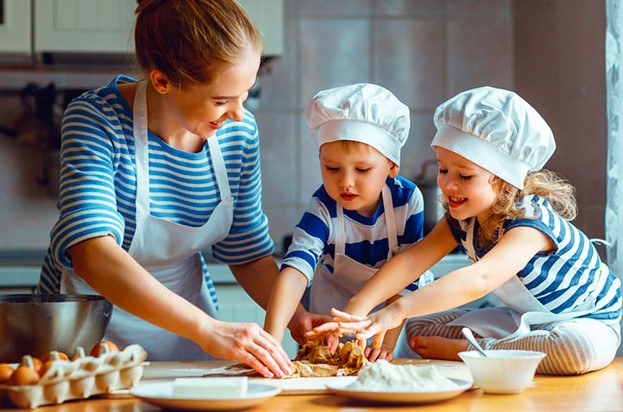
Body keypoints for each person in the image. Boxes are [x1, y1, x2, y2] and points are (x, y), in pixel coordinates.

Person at [37, 0, 300, 378]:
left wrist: (298, 318)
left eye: (245, 94)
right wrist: (208, 329)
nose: (239, 113)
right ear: (162, 81)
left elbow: (247, 252)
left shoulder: (238, 132)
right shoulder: (96, 119)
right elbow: (92, 253)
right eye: (222, 100)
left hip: (187, 330)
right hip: (87, 333)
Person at [317, 86, 622, 375]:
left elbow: (480, 279)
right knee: (418, 329)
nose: (448, 184)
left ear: (504, 180)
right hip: (526, 322)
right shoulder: (463, 219)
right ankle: (500, 350)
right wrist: (359, 308)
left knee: (575, 350)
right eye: (443, 169)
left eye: (464, 175)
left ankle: (476, 350)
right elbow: (412, 261)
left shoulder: (531, 223)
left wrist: (395, 310)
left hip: (588, 322)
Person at [264, 83, 433, 361]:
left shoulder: (407, 200)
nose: (346, 182)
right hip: (330, 319)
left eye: (362, 169)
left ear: (392, 166)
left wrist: (384, 346)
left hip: (389, 320)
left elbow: (407, 276)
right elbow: (294, 272)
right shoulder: (323, 207)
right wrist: (270, 342)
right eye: (332, 168)